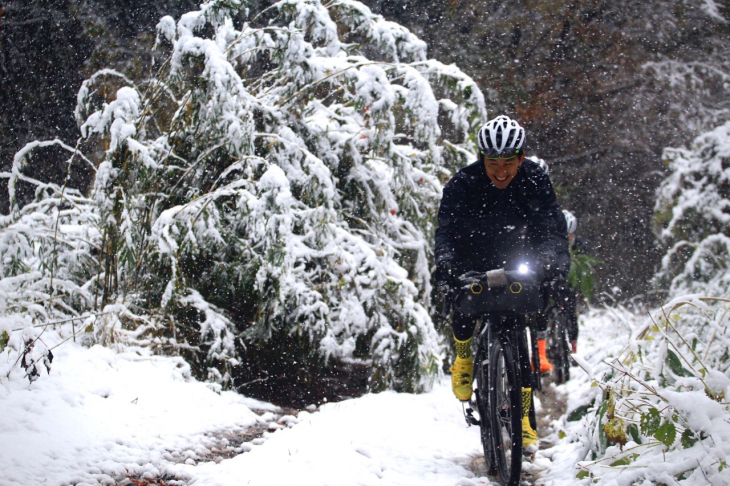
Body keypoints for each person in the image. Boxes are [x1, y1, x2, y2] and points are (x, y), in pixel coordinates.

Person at [434, 115, 570, 448]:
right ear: (482, 159)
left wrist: (551, 266)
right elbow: (447, 233)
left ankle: (523, 417)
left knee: (522, 329)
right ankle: (464, 356)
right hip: (473, 258)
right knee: (463, 301)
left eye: (508, 162)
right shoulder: (462, 183)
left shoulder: (534, 180)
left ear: (521, 158)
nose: (500, 170)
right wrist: (449, 267)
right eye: (492, 162)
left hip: (518, 261)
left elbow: (552, 229)